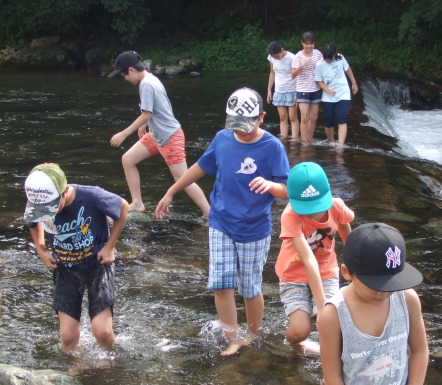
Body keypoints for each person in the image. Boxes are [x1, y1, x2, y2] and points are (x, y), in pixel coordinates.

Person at [155, 87, 290, 356]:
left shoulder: (272, 147)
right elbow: (200, 167)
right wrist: (172, 191)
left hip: (254, 228)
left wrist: (270, 185)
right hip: (221, 223)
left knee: (250, 287)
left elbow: (288, 190)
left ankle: (252, 334)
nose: (240, 131)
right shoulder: (222, 139)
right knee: (221, 284)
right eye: (235, 126)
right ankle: (233, 337)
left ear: (262, 117)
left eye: (246, 126)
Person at [318, 223, 432, 385]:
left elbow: (419, 351)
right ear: (346, 272)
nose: (384, 291)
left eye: (391, 283)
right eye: (374, 284)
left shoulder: (407, 299)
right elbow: (332, 376)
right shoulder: (333, 314)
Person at [24, 163, 129, 354]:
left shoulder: (91, 196)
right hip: (65, 268)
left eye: (52, 208)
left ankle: (111, 366)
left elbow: (122, 207)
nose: (50, 214)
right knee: (68, 337)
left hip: (98, 264)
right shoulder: (39, 199)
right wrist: (40, 249)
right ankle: (74, 375)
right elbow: (33, 221)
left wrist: (110, 246)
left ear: (64, 192)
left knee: (102, 332)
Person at [108, 50, 210, 216]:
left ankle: (209, 214)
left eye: (124, 75)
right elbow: (151, 111)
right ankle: (137, 203)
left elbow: (146, 114)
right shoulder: (150, 79)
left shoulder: (146, 84)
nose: (125, 79)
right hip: (156, 135)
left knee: (183, 180)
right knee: (128, 159)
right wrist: (144, 125)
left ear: (131, 70)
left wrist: (124, 134)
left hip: (170, 137)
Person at [275, 162, 354, 352]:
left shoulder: (337, 206)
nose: (313, 212)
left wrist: (355, 265)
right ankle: (292, 345)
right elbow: (308, 259)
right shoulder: (290, 215)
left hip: (327, 271)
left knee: (334, 324)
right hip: (293, 275)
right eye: (306, 208)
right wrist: (322, 306)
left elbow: (347, 233)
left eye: (317, 205)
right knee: (300, 331)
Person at [315, 43, 359, 146]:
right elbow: (318, 81)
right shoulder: (319, 64)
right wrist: (327, 90)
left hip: (343, 93)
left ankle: (340, 145)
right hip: (328, 96)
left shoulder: (340, 58)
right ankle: (331, 142)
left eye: (330, 59)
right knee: (328, 121)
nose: (328, 61)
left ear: (334, 55)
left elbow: (348, 69)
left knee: (342, 118)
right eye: (326, 59)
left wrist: (354, 83)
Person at [291, 31, 323, 144]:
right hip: (302, 90)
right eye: (306, 44)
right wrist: (302, 65)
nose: (309, 46)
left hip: (315, 89)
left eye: (311, 44)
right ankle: (304, 142)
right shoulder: (298, 56)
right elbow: (293, 74)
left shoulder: (318, 54)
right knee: (305, 117)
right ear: (302, 43)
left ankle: (310, 139)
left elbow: (323, 68)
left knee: (314, 117)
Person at [266, 41, 299, 140]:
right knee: (283, 117)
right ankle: (283, 138)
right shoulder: (271, 57)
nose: (276, 58)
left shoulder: (292, 58)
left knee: (293, 117)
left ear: (282, 50)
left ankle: (294, 140)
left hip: (292, 90)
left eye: (277, 56)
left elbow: (298, 75)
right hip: (279, 90)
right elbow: (272, 73)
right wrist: (269, 90)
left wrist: (298, 93)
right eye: (274, 56)